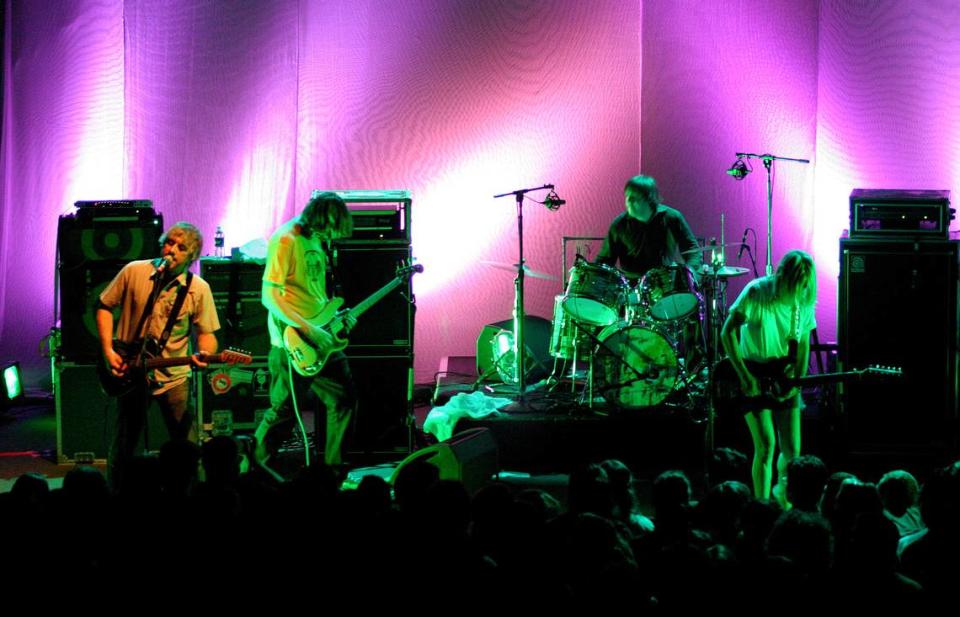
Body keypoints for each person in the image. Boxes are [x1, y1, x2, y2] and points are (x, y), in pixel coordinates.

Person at [96, 222, 220, 491]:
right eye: (169, 242)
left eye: (181, 247)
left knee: (186, 444)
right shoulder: (134, 271)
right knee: (123, 445)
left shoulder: (199, 289)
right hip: (130, 374)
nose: (171, 250)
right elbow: (104, 306)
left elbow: (207, 334)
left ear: (192, 256)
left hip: (173, 378)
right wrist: (108, 350)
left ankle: (190, 494)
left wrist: (205, 354)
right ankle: (115, 496)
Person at [254, 190, 357, 473]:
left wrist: (334, 317)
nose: (331, 235)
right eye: (329, 227)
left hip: (320, 336)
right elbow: (269, 296)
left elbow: (311, 292)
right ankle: (251, 467)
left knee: (344, 400)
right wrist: (308, 328)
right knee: (284, 410)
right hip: (293, 340)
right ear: (318, 217)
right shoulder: (286, 238)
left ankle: (334, 472)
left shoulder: (315, 238)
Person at [720, 249, 816, 504]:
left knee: (792, 451)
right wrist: (744, 376)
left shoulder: (803, 300)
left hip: (784, 372)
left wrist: (797, 380)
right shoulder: (756, 291)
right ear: (782, 276)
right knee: (765, 447)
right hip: (753, 369)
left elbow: (804, 342)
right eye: (794, 284)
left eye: (803, 285)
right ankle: (760, 507)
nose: (799, 290)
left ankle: (783, 499)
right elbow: (727, 332)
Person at [597, 174, 702, 281]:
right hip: (630, 287)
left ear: (649, 198)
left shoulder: (672, 218)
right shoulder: (619, 224)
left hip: (664, 283)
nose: (628, 201)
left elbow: (692, 249)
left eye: (634, 197)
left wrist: (690, 274)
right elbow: (605, 260)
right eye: (627, 196)